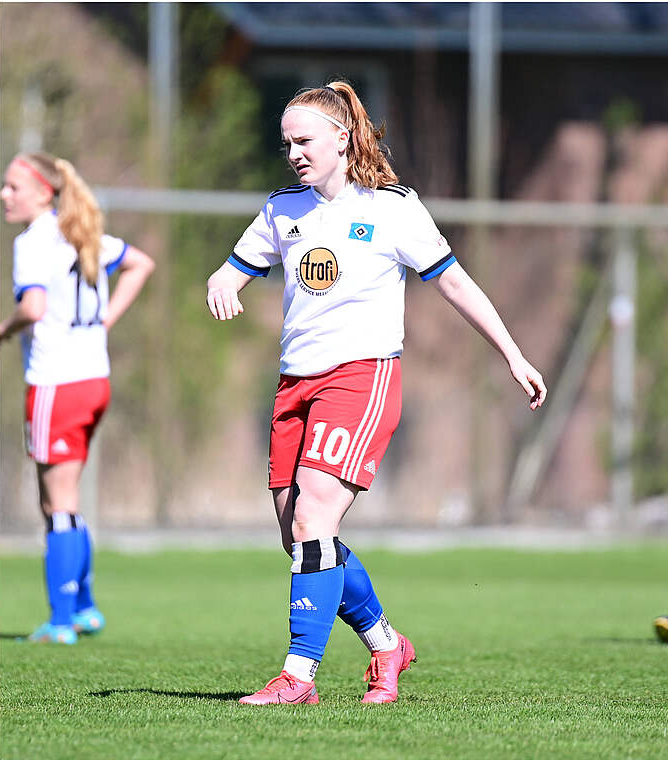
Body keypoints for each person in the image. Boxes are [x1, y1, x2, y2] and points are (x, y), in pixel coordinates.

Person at [205, 80, 547, 705]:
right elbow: (234, 266)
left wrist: (514, 353)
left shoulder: (391, 207)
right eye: (287, 144)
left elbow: (456, 284)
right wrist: (221, 281)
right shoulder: (284, 209)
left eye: (304, 140)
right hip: (294, 384)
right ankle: (387, 644)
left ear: (343, 136)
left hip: (361, 377)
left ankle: (298, 678)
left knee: (312, 517)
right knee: (303, 536)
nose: (294, 153)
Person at [0, 152, 155, 644]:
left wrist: (3, 329)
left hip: (56, 382)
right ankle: (83, 607)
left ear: (45, 192)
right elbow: (140, 264)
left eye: (13, 187)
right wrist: (104, 321)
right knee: (65, 501)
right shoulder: (80, 236)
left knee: (56, 503)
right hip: (94, 380)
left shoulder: (35, 241)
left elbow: (35, 306)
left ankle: (61, 621)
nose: (5, 195)